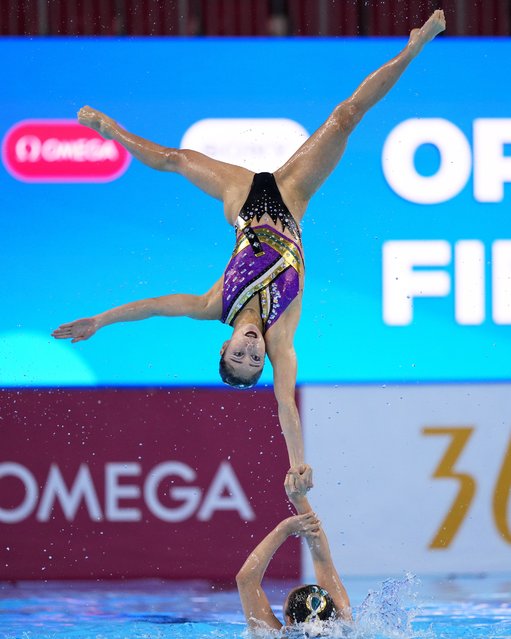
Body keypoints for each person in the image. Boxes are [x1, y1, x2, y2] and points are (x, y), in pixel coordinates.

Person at [52, 10, 446, 490]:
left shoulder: (213, 305)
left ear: (225, 345)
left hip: (243, 201)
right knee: (345, 117)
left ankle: (112, 130)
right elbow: (285, 404)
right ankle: (414, 48)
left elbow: (153, 307)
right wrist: (297, 463)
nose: (251, 352)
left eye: (238, 355)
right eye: (253, 362)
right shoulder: (280, 338)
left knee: (175, 159)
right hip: (291, 198)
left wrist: (99, 320)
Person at [236, 470, 351, 630]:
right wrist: (300, 499)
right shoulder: (344, 627)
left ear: (289, 621)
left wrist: (284, 529)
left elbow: (246, 579)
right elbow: (323, 560)